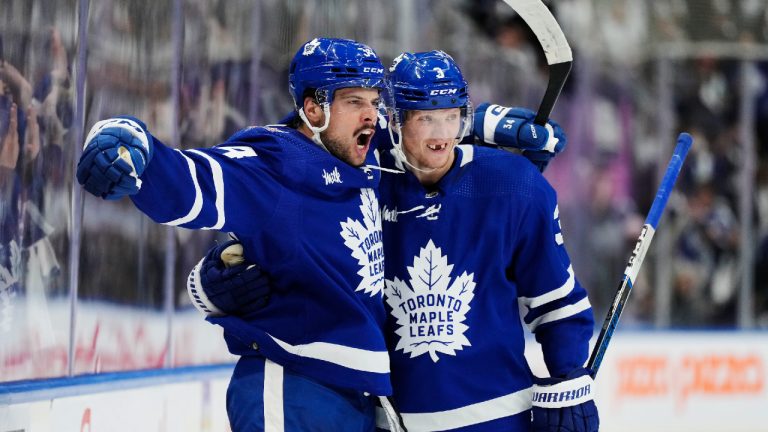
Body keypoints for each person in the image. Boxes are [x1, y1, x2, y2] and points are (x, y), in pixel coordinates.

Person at [191, 50, 599, 432]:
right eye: (425, 118)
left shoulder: (513, 184)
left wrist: (568, 378)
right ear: (395, 121)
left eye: (453, 116)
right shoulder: (358, 178)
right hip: (392, 419)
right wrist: (218, 274)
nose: (442, 135)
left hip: (499, 415)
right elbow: (289, 192)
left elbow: (556, 300)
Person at [76, 37, 406, 432]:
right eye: (355, 102)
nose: (371, 115)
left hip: (352, 395)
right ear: (313, 108)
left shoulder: (361, 148)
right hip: (295, 387)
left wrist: (486, 123)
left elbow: (429, 122)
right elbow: (195, 180)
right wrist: (135, 148)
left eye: (374, 101)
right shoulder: (277, 161)